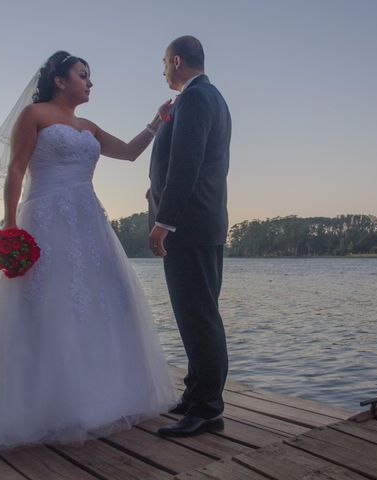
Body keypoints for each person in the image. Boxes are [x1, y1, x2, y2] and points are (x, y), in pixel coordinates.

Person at [0, 51, 177, 450]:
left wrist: (157, 120)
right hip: (45, 219)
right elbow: (16, 169)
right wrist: (10, 224)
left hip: (88, 222)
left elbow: (128, 152)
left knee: (101, 301)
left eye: (90, 77)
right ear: (59, 80)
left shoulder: (88, 126)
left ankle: (102, 397)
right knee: (47, 302)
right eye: (82, 75)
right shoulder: (34, 115)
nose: (90, 83)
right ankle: (37, 405)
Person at [147, 36, 232, 437]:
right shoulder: (208, 97)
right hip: (201, 223)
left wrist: (166, 220)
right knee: (197, 313)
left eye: (164, 62)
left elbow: (187, 164)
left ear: (177, 61)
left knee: (198, 317)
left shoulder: (197, 99)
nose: (163, 69)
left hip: (191, 225)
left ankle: (208, 409)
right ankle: (195, 393)